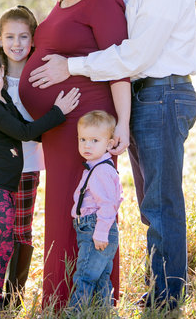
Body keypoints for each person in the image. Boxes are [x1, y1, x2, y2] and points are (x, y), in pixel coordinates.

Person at [28, 0, 196, 311]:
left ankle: (166, 299)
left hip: (164, 93)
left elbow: (133, 56)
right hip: (146, 97)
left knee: (162, 206)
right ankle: (155, 290)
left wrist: (70, 66)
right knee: (148, 205)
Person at [18, 0, 131, 308]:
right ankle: (61, 294)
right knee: (65, 208)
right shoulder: (64, 0)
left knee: (93, 209)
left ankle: (95, 299)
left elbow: (119, 66)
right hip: (60, 126)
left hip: (87, 126)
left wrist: (125, 126)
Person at [0, 41, 80, 318]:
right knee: (0, 246)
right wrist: (58, 112)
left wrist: (55, 132)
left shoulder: (2, 99)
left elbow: (26, 132)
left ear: (1, 70)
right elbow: (23, 132)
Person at [0, 5, 43, 306]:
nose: (17, 43)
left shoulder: (37, 75)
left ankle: (14, 297)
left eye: (24, 36)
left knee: (20, 229)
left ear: (33, 39)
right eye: (9, 36)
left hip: (28, 164)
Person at [70, 111, 123, 311]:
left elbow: (109, 204)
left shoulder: (101, 170)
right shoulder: (96, 167)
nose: (87, 145)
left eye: (94, 140)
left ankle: (76, 313)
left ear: (109, 144)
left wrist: (100, 233)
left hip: (96, 229)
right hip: (92, 228)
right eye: (82, 139)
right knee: (101, 277)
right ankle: (104, 312)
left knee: (85, 275)